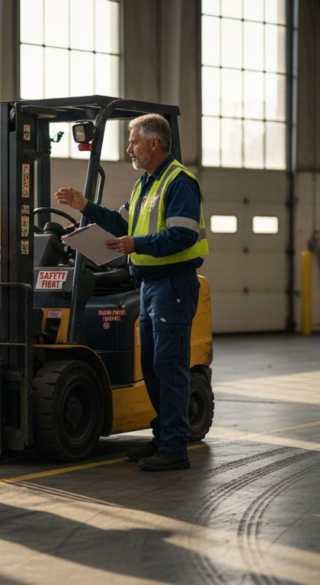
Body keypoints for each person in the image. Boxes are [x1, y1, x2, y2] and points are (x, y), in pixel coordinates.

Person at [54, 114, 209, 472]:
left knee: (168, 368)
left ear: (154, 144)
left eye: (134, 142)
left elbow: (183, 235)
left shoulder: (178, 182)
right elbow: (122, 221)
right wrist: (84, 206)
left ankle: (174, 448)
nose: (130, 149)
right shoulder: (144, 185)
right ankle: (163, 436)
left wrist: (134, 243)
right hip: (151, 285)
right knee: (154, 368)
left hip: (173, 285)